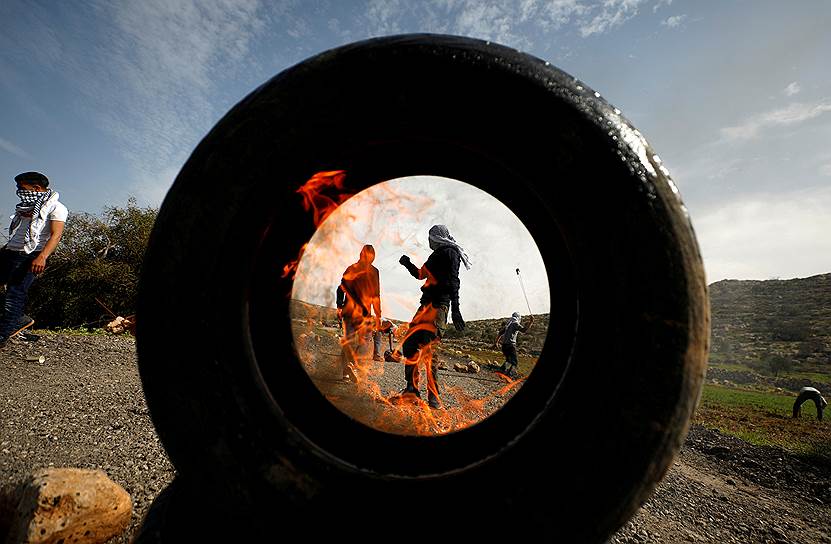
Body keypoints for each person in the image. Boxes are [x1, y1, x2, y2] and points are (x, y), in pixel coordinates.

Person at [395, 224, 470, 409]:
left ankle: (433, 396)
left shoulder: (450, 252)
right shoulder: (436, 255)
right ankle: (411, 389)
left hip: (438, 308)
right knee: (410, 344)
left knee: (429, 353)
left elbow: (454, 281)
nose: (428, 241)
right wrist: (407, 264)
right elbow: (420, 275)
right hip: (425, 306)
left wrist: (456, 309)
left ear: (437, 237)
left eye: (430, 238)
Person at [0, 172, 67, 347]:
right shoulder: (27, 206)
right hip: (11, 250)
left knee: (14, 293)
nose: (18, 191)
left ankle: (3, 335)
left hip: (30, 254)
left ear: (36, 188)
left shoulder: (56, 208)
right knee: (8, 292)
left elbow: (56, 235)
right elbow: (21, 231)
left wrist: (42, 257)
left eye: (21, 187)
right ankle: (18, 319)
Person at [336, 245, 381, 382]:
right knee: (364, 341)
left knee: (351, 342)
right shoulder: (371, 271)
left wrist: (339, 306)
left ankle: (346, 372)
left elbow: (340, 289)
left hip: (353, 312)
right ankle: (350, 367)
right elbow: (376, 295)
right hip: (358, 313)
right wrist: (378, 314)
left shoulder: (354, 268)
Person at [496, 312, 534, 379]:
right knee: (514, 362)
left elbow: (500, 333)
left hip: (504, 346)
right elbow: (524, 330)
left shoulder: (508, 324)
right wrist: (531, 322)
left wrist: (496, 342)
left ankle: (501, 371)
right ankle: (510, 376)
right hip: (510, 345)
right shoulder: (515, 324)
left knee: (509, 360)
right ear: (518, 318)